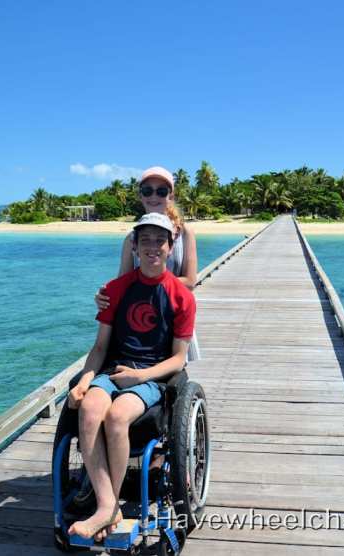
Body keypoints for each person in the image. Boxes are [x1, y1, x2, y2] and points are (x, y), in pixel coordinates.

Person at [66, 212, 196, 541]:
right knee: (91, 407)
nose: (153, 247)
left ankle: (105, 508)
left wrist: (140, 376)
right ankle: (108, 504)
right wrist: (84, 380)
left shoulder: (181, 297)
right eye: (145, 240)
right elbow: (99, 347)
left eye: (160, 241)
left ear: (170, 247)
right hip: (114, 368)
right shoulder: (116, 289)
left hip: (151, 376)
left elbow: (179, 359)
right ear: (135, 247)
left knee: (117, 415)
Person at [95, 166, 200, 360]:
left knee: (173, 374)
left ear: (171, 196)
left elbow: (191, 281)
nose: (154, 196)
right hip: (138, 319)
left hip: (172, 314)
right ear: (140, 196)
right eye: (147, 190)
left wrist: (153, 285)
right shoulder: (131, 238)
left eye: (161, 191)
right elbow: (123, 281)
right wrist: (104, 295)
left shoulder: (185, 233)